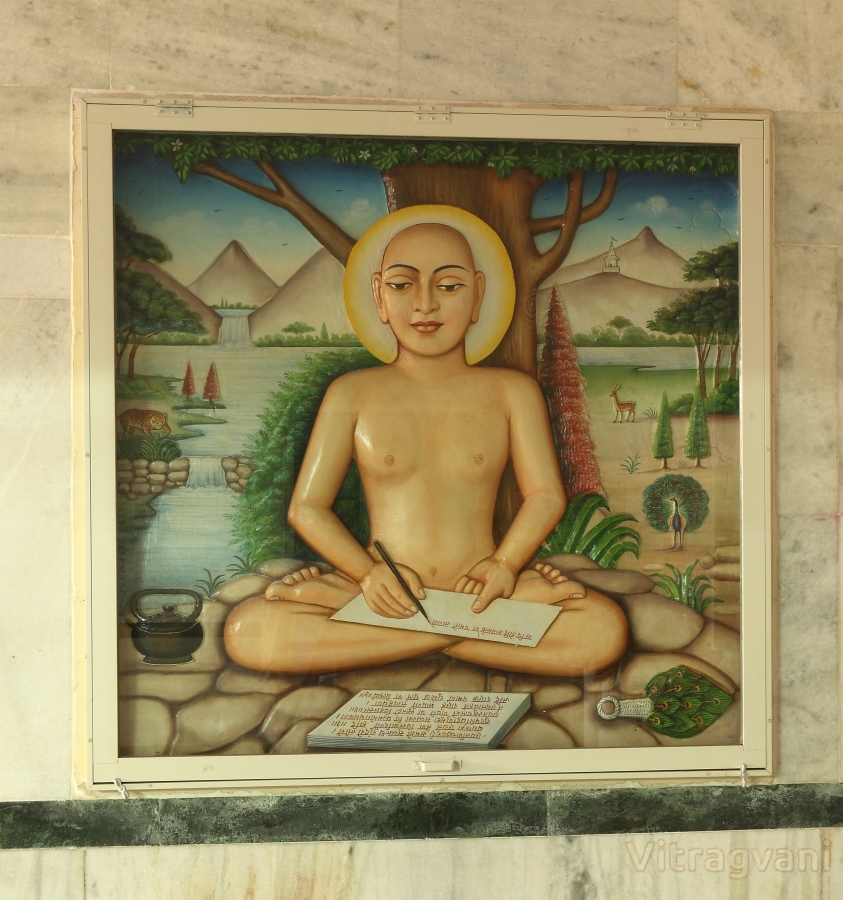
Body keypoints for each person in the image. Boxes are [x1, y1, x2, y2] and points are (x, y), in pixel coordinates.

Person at [224, 206, 627, 677]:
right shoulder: (351, 393)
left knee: (603, 629)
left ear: (478, 295)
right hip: (384, 589)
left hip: (483, 590)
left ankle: (410, 635)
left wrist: (505, 563)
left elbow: (545, 496)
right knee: (248, 630)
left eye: (449, 286)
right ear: (378, 296)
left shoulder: (511, 392)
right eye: (402, 285)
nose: (425, 304)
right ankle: (464, 634)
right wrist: (366, 574)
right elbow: (307, 509)